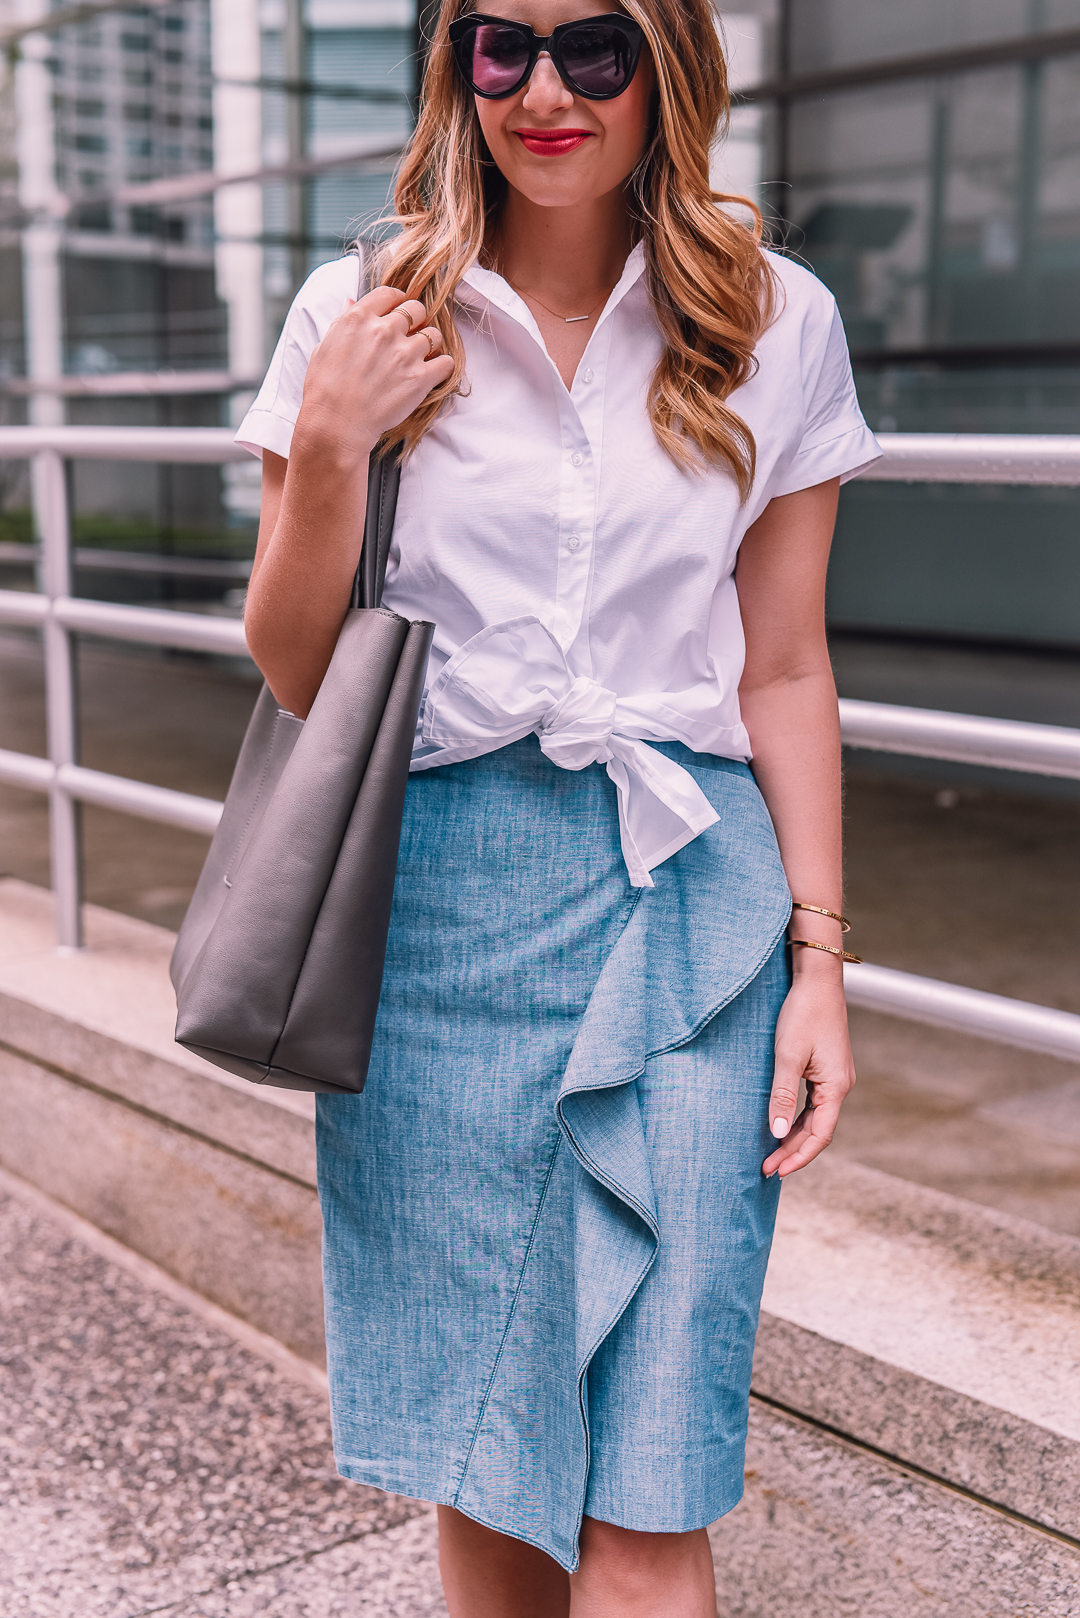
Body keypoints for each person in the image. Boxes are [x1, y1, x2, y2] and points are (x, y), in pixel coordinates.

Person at [237, 0, 879, 1610]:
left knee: (654, 1487)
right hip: (435, 915)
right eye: (501, 46)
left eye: (595, 46)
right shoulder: (362, 305)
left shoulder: (775, 319)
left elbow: (786, 664)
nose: (546, 90)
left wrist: (821, 958)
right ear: (456, 66)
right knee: (494, 1463)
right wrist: (328, 441)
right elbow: (296, 665)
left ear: (667, 66)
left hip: (691, 908)